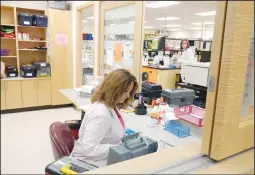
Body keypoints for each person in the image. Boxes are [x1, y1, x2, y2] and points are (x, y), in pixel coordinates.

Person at [71, 69, 138, 167]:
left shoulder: (110, 105)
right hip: (89, 164)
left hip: (101, 158)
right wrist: (120, 148)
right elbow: (88, 148)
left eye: (130, 92)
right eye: (126, 91)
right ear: (114, 90)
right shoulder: (100, 113)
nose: (128, 95)